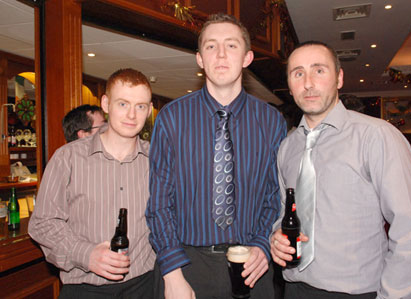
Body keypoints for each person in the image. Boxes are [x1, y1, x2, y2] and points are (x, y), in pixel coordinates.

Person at [270, 41, 411, 298]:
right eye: (298, 73)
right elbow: (283, 211)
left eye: (319, 70)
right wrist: (276, 237)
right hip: (294, 288)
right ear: (289, 85)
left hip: (357, 292)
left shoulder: (376, 136)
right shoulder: (287, 147)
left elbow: (410, 226)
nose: (308, 83)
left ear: (339, 78)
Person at [146, 13, 286, 299]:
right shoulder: (171, 117)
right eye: (211, 46)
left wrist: (261, 245)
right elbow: (159, 202)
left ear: (247, 57)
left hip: (253, 264)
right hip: (187, 264)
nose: (221, 54)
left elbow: (276, 195)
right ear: (200, 59)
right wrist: (172, 272)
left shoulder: (272, 121)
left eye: (231, 46)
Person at [29, 68, 156, 298]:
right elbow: (42, 223)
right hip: (85, 289)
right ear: (106, 104)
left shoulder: (158, 159)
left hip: (145, 286)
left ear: (148, 111)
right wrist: (86, 254)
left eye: (140, 106)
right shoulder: (67, 158)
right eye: (123, 104)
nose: (131, 115)